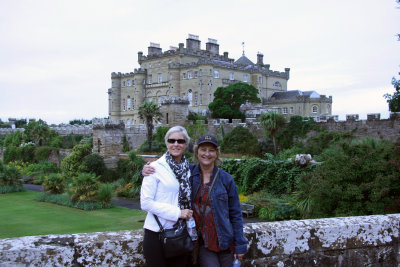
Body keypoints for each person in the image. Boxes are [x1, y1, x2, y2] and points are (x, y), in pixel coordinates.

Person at [143, 134, 248, 266]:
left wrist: (240, 244)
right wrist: (144, 170)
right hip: (203, 242)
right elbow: (163, 170)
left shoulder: (226, 179)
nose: (207, 154)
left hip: (226, 241)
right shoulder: (188, 173)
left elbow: (235, 214)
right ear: (197, 152)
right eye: (203, 149)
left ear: (217, 153)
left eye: (211, 150)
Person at [140, 126, 193, 267]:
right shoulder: (154, 168)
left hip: (181, 234)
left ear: (186, 144)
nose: (176, 144)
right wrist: (178, 213)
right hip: (157, 234)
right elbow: (145, 203)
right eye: (172, 140)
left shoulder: (189, 169)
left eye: (180, 141)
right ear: (167, 143)